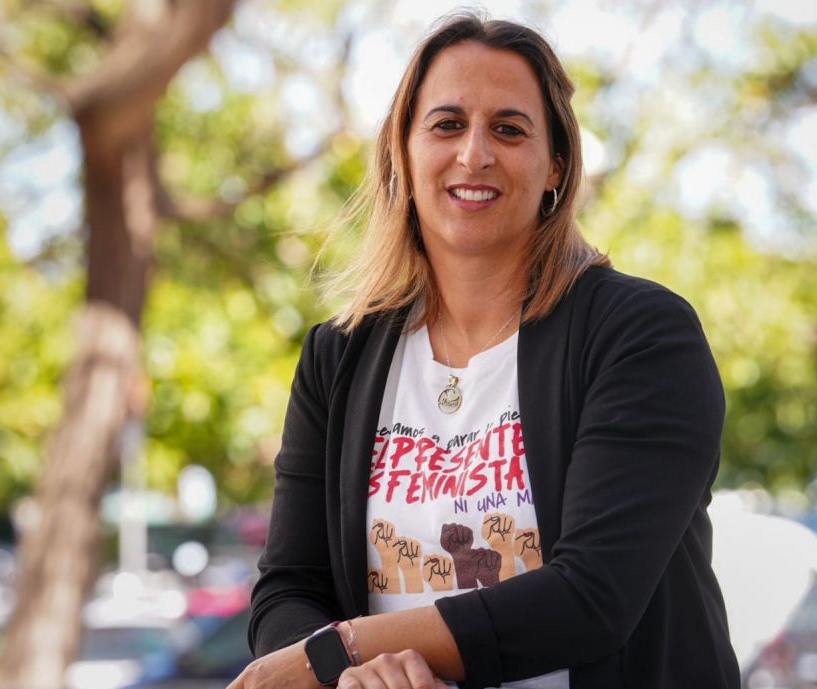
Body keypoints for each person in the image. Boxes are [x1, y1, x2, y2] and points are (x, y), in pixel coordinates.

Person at [233, 12, 739, 689]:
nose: (475, 153)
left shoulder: (642, 335)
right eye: (446, 124)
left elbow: (591, 597)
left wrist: (342, 649)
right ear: (403, 155)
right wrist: (353, 676)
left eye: (509, 128)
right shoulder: (339, 356)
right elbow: (291, 582)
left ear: (555, 163)